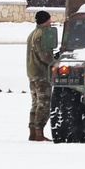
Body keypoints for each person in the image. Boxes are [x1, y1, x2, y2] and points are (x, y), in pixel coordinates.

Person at [26, 10, 55, 142]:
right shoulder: (42, 35)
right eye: (49, 19)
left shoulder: (32, 34)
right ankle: (39, 133)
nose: (51, 22)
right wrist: (56, 63)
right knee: (44, 104)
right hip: (41, 74)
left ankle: (33, 132)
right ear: (45, 20)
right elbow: (45, 56)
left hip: (32, 73)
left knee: (35, 103)